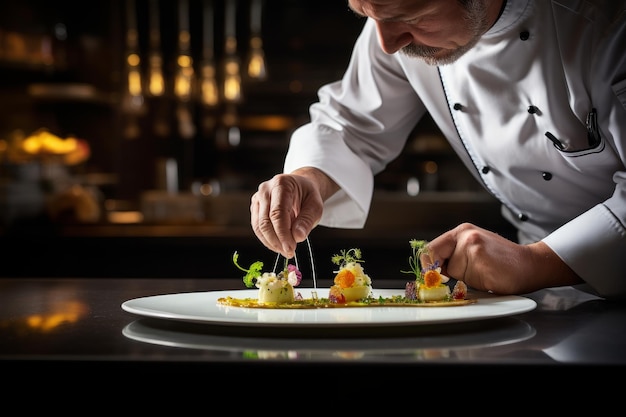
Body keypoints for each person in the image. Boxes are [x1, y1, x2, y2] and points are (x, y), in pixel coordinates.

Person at [250, 0, 626, 300]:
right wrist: (307, 178)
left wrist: (536, 263)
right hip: (539, 299)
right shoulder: (391, 20)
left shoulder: (607, 26)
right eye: (364, 14)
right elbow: (351, 125)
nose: (386, 44)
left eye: (412, 16)